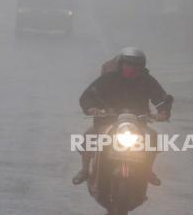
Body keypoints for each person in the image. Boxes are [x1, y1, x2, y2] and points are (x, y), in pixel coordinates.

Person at [72, 47, 173, 186]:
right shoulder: (107, 79)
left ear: (141, 67)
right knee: (90, 136)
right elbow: (89, 95)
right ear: (120, 64)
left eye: (136, 65)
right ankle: (84, 170)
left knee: (153, 137)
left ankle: (148, 170)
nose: (131, 68)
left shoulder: (147, 81)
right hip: (107, 121)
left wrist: (163, 112)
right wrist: (92, 108)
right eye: (128, 64)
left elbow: (161, 98)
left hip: (138, 123)